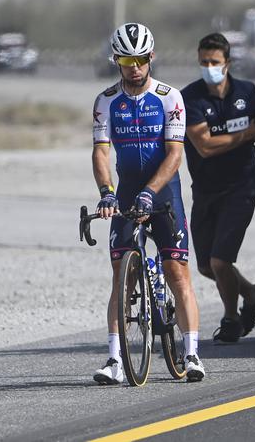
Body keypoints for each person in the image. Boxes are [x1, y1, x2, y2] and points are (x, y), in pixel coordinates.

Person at [91, 23, 204, 384]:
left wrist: (150, 192)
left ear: (151, 57)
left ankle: (192, 353)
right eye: (126, 60)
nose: (134, 67)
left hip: (164, 191)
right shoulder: (106, 101)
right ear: (116, 60)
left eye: (140, 59)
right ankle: (114, 361)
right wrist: (107, 192)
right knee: (120, 279)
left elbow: (174, 156)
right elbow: (100, 152)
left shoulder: (170, 98)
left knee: (176, 272)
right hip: (126, 191)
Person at [181, 32, 255, 343]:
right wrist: (248, 134)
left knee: (220, 261)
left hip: (242, 184)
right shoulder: (191, 98)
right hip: (205, 188)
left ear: (227, 63)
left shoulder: (247, 92)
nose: (209, 67)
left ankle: (231, 318)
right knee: (204, 266)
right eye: (203, 62)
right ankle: (253, 294)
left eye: (214, 62)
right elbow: (205, 146)